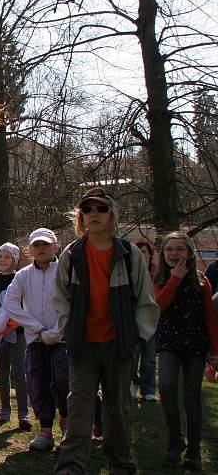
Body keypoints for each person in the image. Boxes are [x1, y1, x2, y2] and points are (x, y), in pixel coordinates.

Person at [54, 188, 159, 475]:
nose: (94, 214)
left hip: (118, 346)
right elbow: (60, 299)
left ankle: (121, 466)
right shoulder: (72, 254)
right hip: (83, 347)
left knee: (118, 412)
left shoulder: (129, 254)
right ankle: (71, 469)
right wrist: (68, 333)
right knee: (79, 410)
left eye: (101, 209)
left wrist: (136, 338)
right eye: (87, 209)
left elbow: (146, 301)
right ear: (81, 217)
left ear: (112, 214)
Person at [153, 231, 218, 471]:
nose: (174, 253)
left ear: (189, 253)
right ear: (163, 253)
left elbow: (210, 316)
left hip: (195, 344)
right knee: (167, 387)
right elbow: (158, 307)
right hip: (169, 342)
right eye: (169, 249)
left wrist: (215, 349)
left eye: (179, 249)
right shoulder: (158, 278)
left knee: (192, 397)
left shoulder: (201, 280)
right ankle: (175, 439)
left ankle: (193, 450)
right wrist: (175, 279)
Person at [2, 228, 68, 452]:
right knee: (37, 384)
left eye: (45, 245)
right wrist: (35, 328)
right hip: (36, 341)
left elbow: (73, 306)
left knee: (64, 381)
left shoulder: (65, 271)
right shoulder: (23, 275)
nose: (41, 249)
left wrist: (55, 332)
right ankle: (46, 432)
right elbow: (10, 303)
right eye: (37, 245)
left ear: (55, 247)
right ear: (30, 250)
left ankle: (68, 430)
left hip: (63, 341)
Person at [0, 242, 31, 431]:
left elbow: (26, 304)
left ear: (15, 260)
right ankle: (4, 408)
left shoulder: (20, 280)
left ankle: (23, 411)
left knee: (19, 372)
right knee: (2, 373)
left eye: (7, 257)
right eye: (0, 257)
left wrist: (18, 319)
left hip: (18, 334)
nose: (3, 260)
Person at [131, 239, 158, 401]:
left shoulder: (158, 275)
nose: (141, 255)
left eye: (144, 252)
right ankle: (132, 384)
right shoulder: (131, 274)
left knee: (149, 359)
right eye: (138, 252)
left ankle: (148, 390)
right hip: (133, 321)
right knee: (133, 357)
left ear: (150, 255)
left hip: (152, 322)